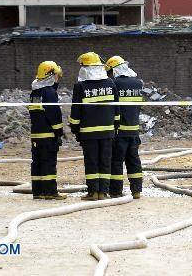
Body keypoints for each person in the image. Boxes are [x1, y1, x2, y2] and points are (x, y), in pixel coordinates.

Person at [70, 52, 116, 201]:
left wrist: (75, 130)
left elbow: (76, 111)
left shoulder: (80, 86)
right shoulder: (110, 83)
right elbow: (117, 109)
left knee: (92, 162)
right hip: (108, 132)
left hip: (88, 133)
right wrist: (115, 126)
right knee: (105, 161)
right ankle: (104, 192)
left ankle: (93, 192)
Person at [106, 56, 145, 199]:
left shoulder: (113, 84)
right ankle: (136, 190)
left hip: (119, 131)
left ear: (113, 70)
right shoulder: (137, 83)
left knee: (116, 161)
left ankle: (115, 191)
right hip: (134, 130)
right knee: (133, 160)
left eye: (108, 72)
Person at [29, 61, 66, 200]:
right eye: (56, 75)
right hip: (48, 136)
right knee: (49, 163)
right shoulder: (49, 92)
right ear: (50, 75)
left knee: (37, 163)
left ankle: (38, 192)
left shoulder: (35, 92)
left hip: (36, 136)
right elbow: (54, 114)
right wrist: (59, 133)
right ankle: (50, 192)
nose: (58, 78)